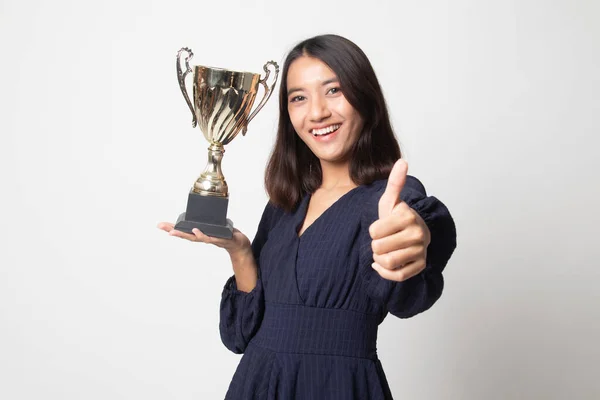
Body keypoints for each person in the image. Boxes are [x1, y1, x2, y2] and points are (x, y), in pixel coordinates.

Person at [158, 34, 457, 400]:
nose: (317, 112)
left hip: (338, 387)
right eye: (299, 97)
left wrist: (413, 238)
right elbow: (239, 337)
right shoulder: (284, 204)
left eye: (334, 90)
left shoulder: (389, 200)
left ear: (366, 100)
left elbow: (410, 282)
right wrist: (239, 251)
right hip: (256, 385)